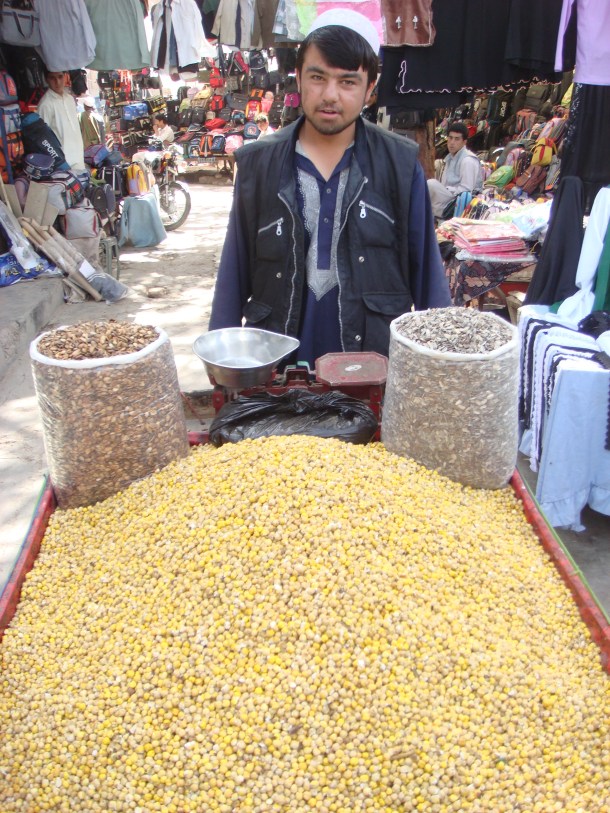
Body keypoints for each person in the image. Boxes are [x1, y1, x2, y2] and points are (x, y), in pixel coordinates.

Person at [209, 10, 451, 366]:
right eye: (318, 77)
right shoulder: (258, 165)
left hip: (371, 367)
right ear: (299, 78)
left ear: (370, 89)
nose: (330, 95)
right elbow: (235, 270)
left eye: (348, 82)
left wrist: (440, 367)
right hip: (278, 367)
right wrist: (222, 362)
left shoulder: (399, 166)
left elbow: (428, 278)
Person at [426, 122, 483, 219]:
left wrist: (447, 190)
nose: (452, 142)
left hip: (461, 200)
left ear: (464, 142)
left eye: (457, 139)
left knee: (430, 184)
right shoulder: (450, 158)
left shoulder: (468, 160)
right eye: (450, 138)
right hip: (451, 196)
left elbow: (466, 190)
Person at [37, 69, 86, 172]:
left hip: (78, 156)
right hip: (63, 163)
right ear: (47, 80)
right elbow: (44, 139)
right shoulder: (45, 104)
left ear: (65, 77)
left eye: (60, 77)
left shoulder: (70, 99)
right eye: (52, 78)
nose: (57, 82)